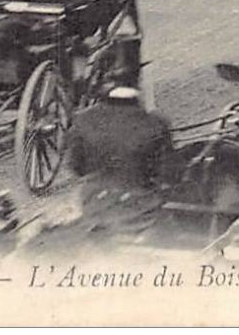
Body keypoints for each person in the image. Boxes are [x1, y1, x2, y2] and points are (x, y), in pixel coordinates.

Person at [66, 83, 172, 231]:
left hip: (95, 208)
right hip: (143, 210)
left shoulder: (82, 120)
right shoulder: (157, 123)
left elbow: (76, 168)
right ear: (137, 95)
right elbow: (168, 173)